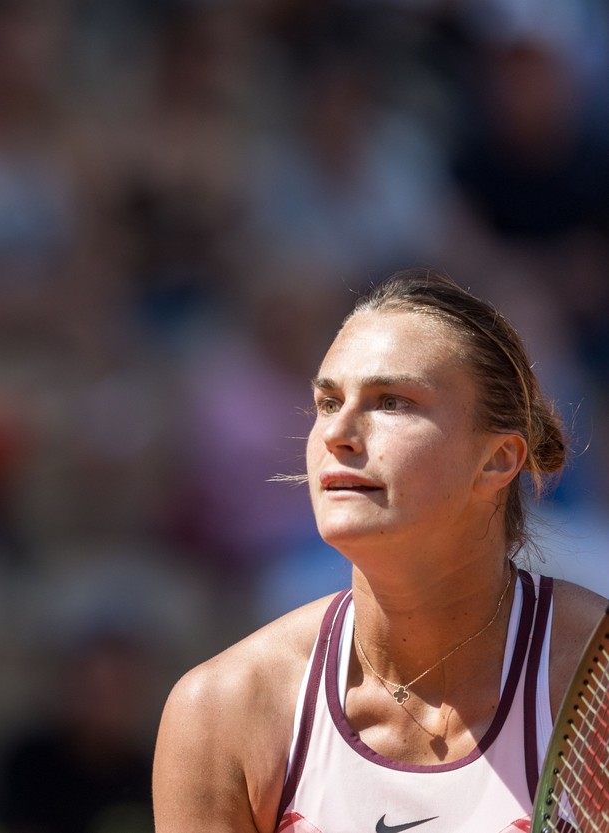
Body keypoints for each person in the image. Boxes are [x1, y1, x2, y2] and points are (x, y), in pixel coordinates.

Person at [152, 269, 608, 832]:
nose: (337, 433)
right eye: (327, 402)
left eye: (391, 402)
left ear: (497, 460)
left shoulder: (598, 683)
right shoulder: (221, 709)